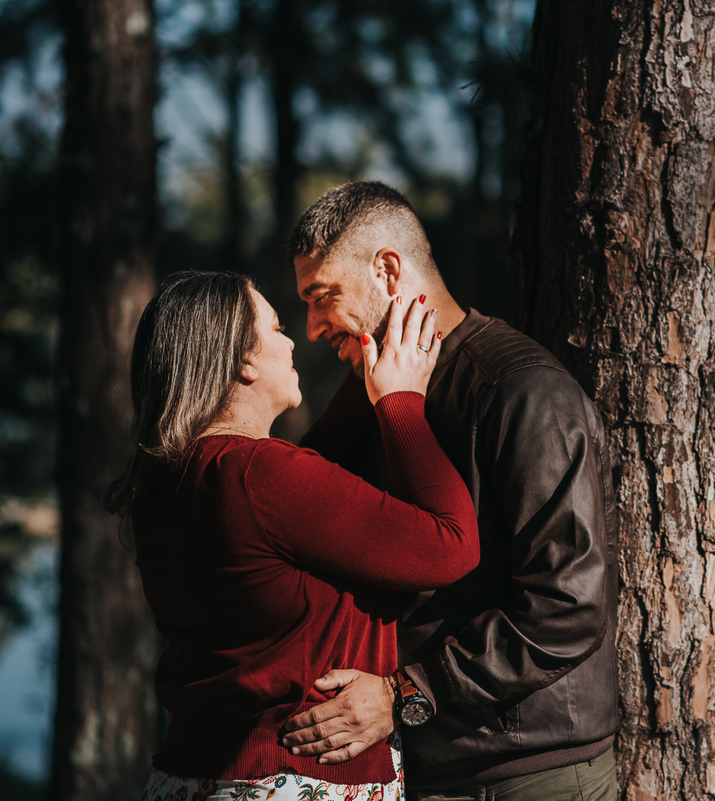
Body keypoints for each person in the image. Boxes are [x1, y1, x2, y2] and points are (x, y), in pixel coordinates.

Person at [280, 181, 619, 801]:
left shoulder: (523, 392)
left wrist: (404, 693)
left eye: (322, 296)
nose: (311, 327)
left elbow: (568, 606)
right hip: (428, 766)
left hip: (529, 774)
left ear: (387, 269)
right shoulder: (377, 387)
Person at [106, 270, 479, 801]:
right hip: (291, 779)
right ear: (244, 361)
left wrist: (366, 360)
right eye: (277, 327)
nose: (293, 340)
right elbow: (451, 546)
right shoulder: (263, 475)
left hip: (187, 779)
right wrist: (401, 403)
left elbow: (315, 477)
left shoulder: (169, 479)